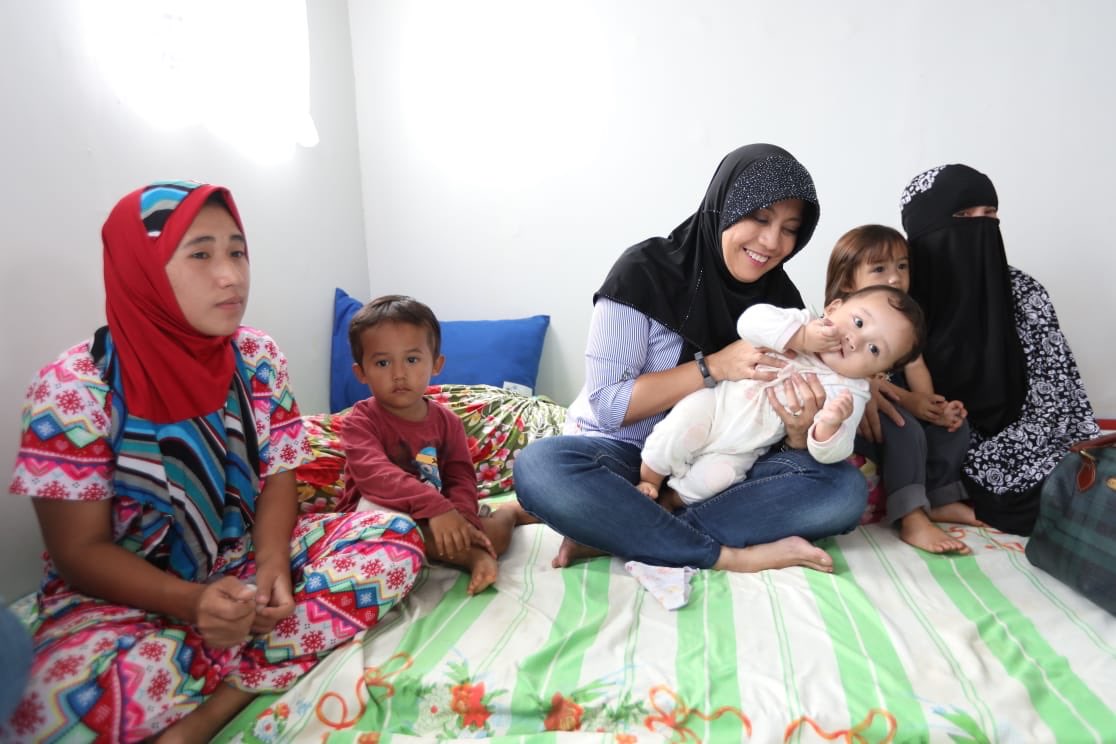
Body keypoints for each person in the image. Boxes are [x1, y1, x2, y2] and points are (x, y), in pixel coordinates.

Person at [1, 182, 426, 743]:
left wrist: (272, 565)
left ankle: (214, 707)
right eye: (201, 254)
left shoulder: (257, 357)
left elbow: (279, 477)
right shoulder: (72, 390)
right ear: (141, 267)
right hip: (121, 599)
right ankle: (267, 650)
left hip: (238, 560)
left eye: (237, 252)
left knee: (394, 537)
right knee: (48, 705)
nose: (231, 276)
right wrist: (194, 603)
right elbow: (78, 553)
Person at [513, 143, 867, 574]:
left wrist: (798, 431)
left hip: (716, 468)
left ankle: (632, 530)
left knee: (843, 489)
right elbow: (608, 406)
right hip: (624, 456)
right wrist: (713, 366)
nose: (772, 242)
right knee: (540, 467)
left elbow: (768, 433)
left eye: (790, 229)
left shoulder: (784, 306)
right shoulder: (645, 272)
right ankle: (726, 555)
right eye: (759, 218)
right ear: (725, 206)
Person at [896, 164, 1100, 535]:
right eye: (963, 215)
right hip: (932, 456)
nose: (981, 226)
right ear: (924, 226)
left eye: (990, 214)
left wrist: (999, 459)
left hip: (1028, 447)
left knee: (1085, 488)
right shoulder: (896, 301)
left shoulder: (1023, 292)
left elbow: (1055, 396)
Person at [638, 286, 923, 511]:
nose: (855, 340)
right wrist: (800, 337)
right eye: (858, 322)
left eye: (874, 349)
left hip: (744, 449)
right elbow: (749, 322)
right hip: (716, 407)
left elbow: (836, 452)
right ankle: (649, 480)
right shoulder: (801, 321)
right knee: (679, 428)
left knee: (718, 479)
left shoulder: (851, 392)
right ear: (834, 307)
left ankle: (672, 502)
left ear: (877, 373)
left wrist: (830, 426)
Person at [336, 295, 528, 595]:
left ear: (436, 364)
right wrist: (435, 507)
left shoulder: (448, 422)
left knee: (494, 539)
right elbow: (376, 475)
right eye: (383, 363)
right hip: (381, 513)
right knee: (393, 530)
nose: (399, 374)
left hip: (440, 511)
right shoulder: (359, 422)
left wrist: (462, 519)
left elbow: (459, 477)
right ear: (361, 372)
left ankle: (509, 513)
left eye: (412, 360)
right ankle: (471, 557)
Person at [826, 225, 981, 553]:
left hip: (900, 408)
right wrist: (912, 403)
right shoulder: (842, 324)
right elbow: (862, 382)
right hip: (858, 415)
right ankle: (911, 516)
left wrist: (932, 408)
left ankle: (940, 497)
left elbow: (916, 368)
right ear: (849, 282)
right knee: (904, 426)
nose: (895, 277)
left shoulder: (903, 324)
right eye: (879, 269)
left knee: (954, 427)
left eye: (902, 266)